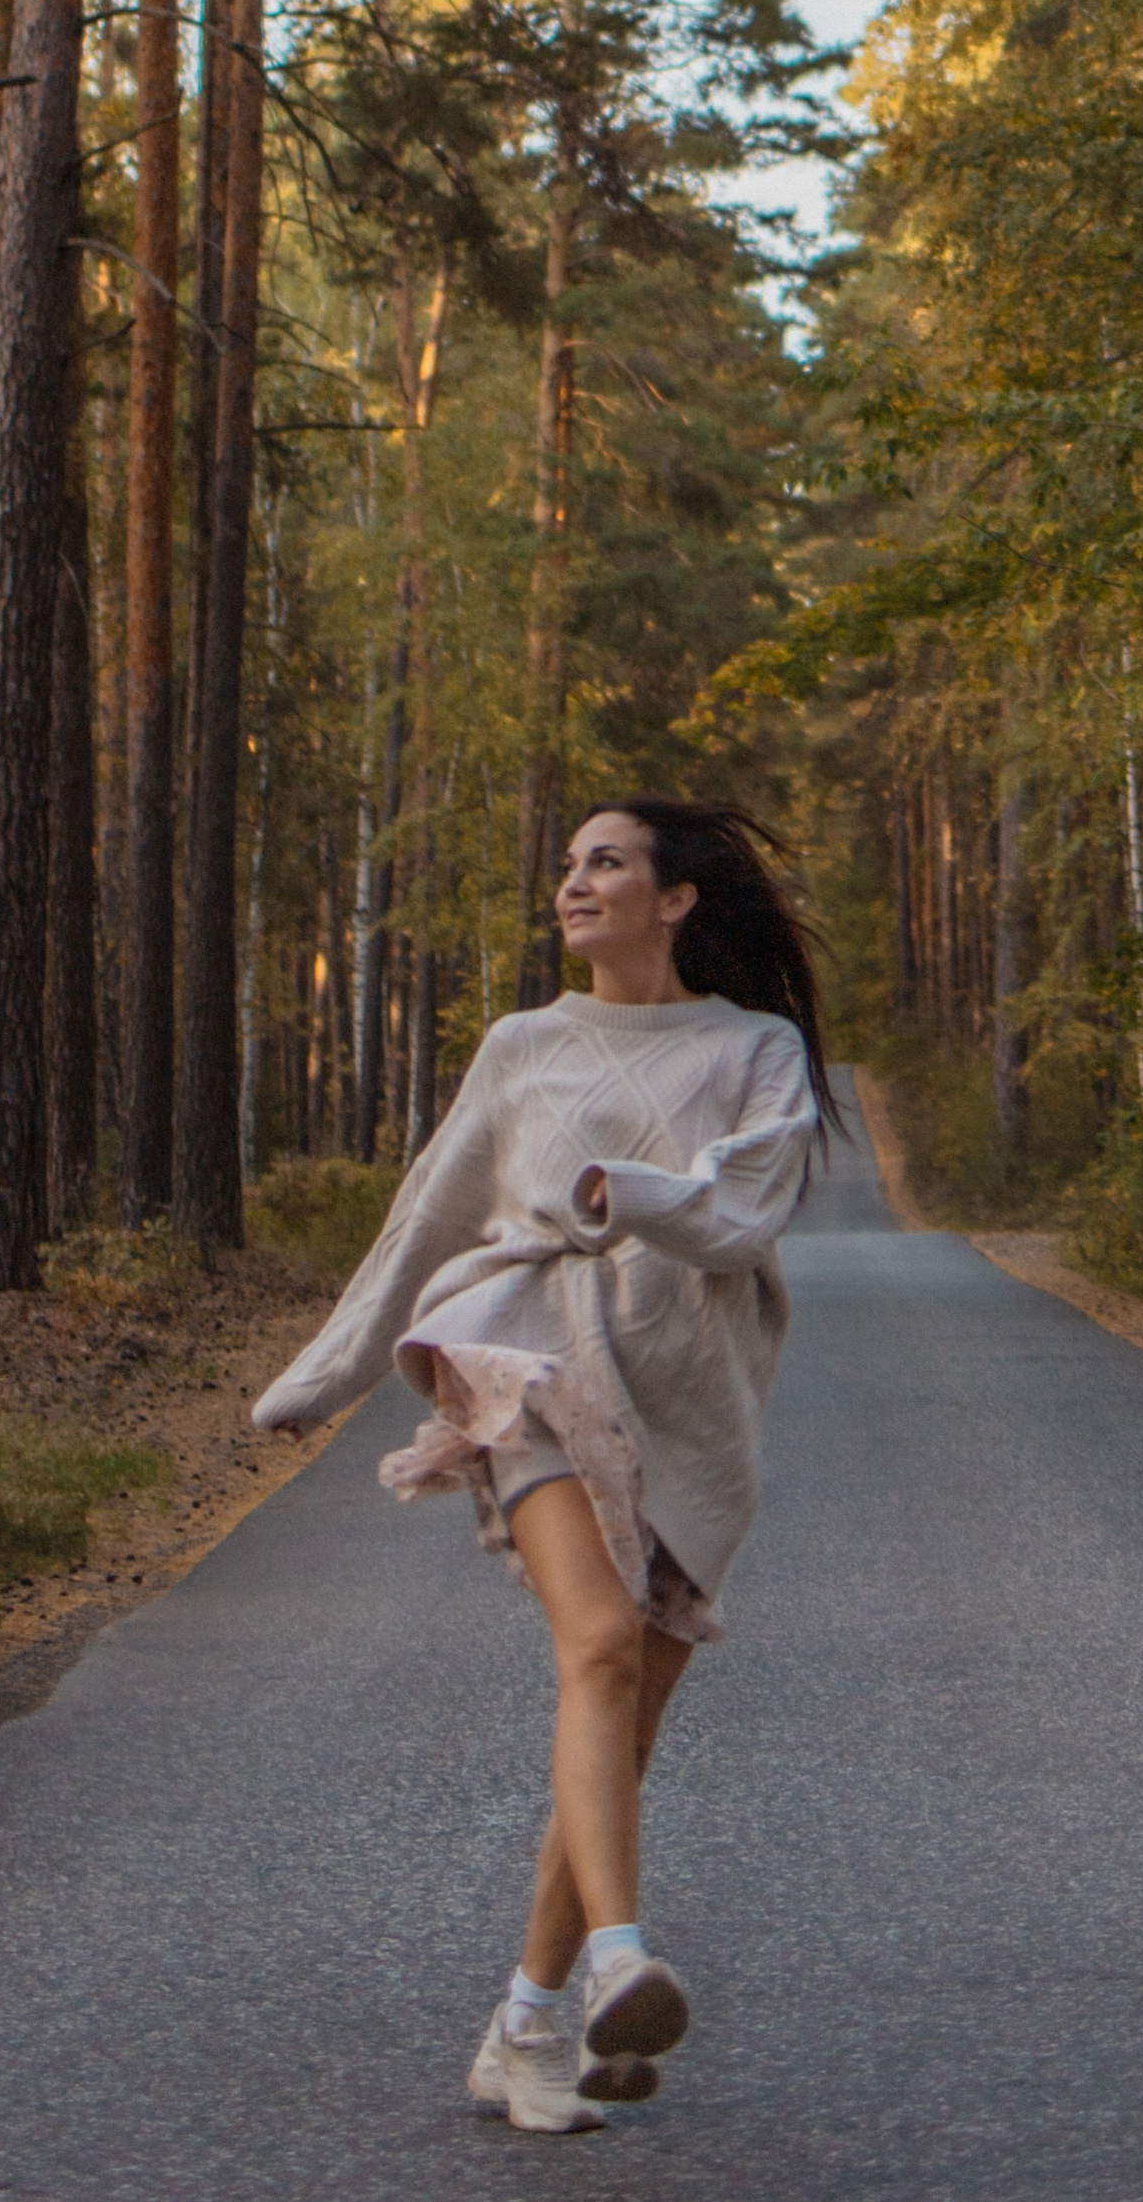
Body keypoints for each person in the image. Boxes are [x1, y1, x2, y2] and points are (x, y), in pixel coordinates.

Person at [251, 797, 834, 2134]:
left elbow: (747, 1210)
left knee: (619, 1728)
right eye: (569, 864)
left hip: (693, 1401)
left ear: (674, 897)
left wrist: (621, 1192)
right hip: (524, 1352)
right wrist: (324, 1375)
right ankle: (621, 1958)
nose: (574, 883)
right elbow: (428, 1217)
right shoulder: (523, 1046)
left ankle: (525, 2023)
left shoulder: (757, 1051)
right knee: (599, 1650)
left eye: (607, 863)